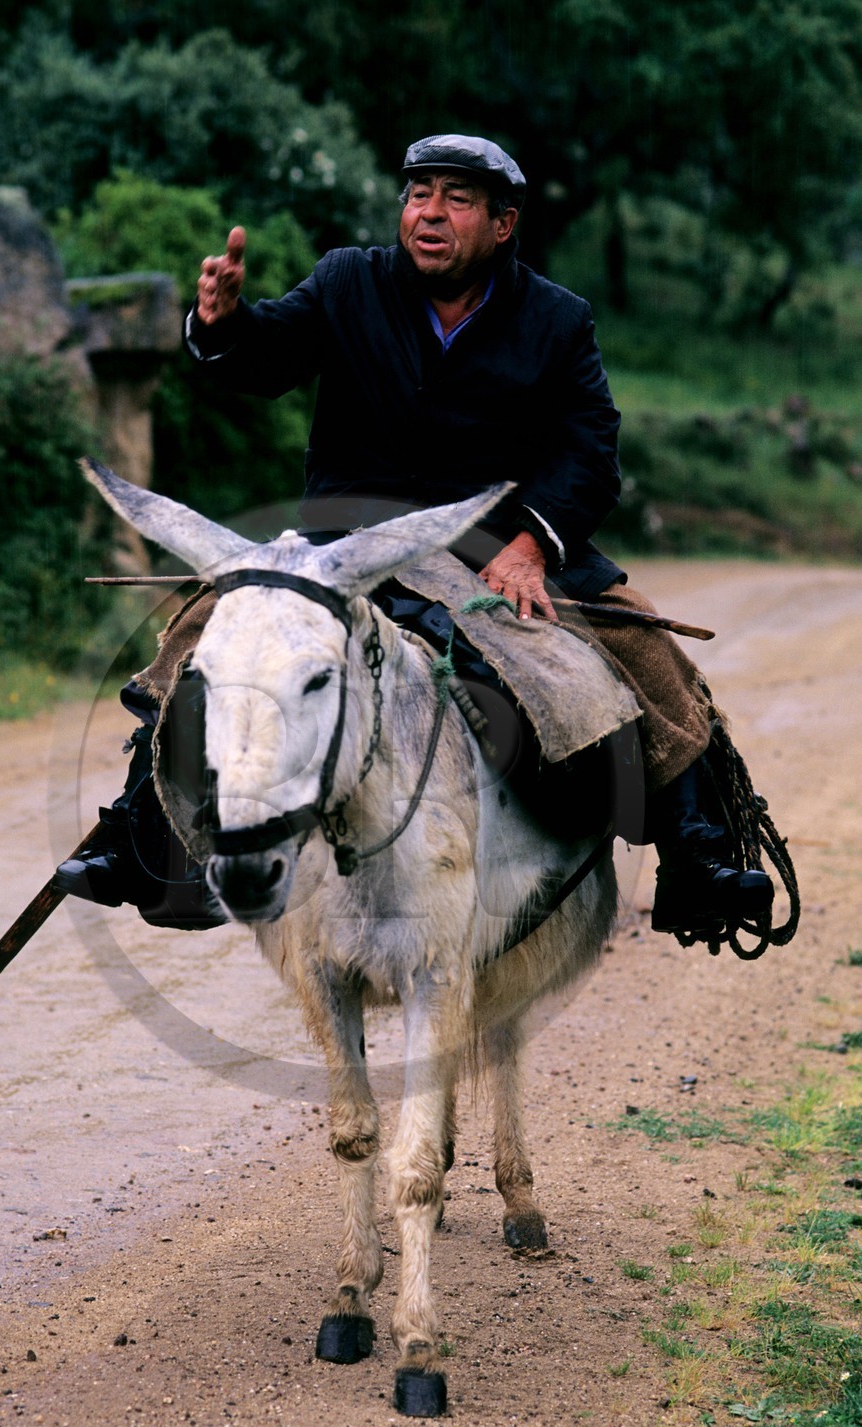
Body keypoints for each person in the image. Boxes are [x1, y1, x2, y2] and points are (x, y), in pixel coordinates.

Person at [57, 133, 773, 939]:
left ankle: (696, 858)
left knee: (645, 649)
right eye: (417, 193)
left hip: (495, 550)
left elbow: (588, 446)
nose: (428, 213)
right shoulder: (346, 282)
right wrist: (220, 323)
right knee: (203, 635)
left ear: (502, 225)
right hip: (348, 544)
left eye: (455, 199)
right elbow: (265, 355)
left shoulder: (556, 320)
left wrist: (533, 542)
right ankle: (139, 839)